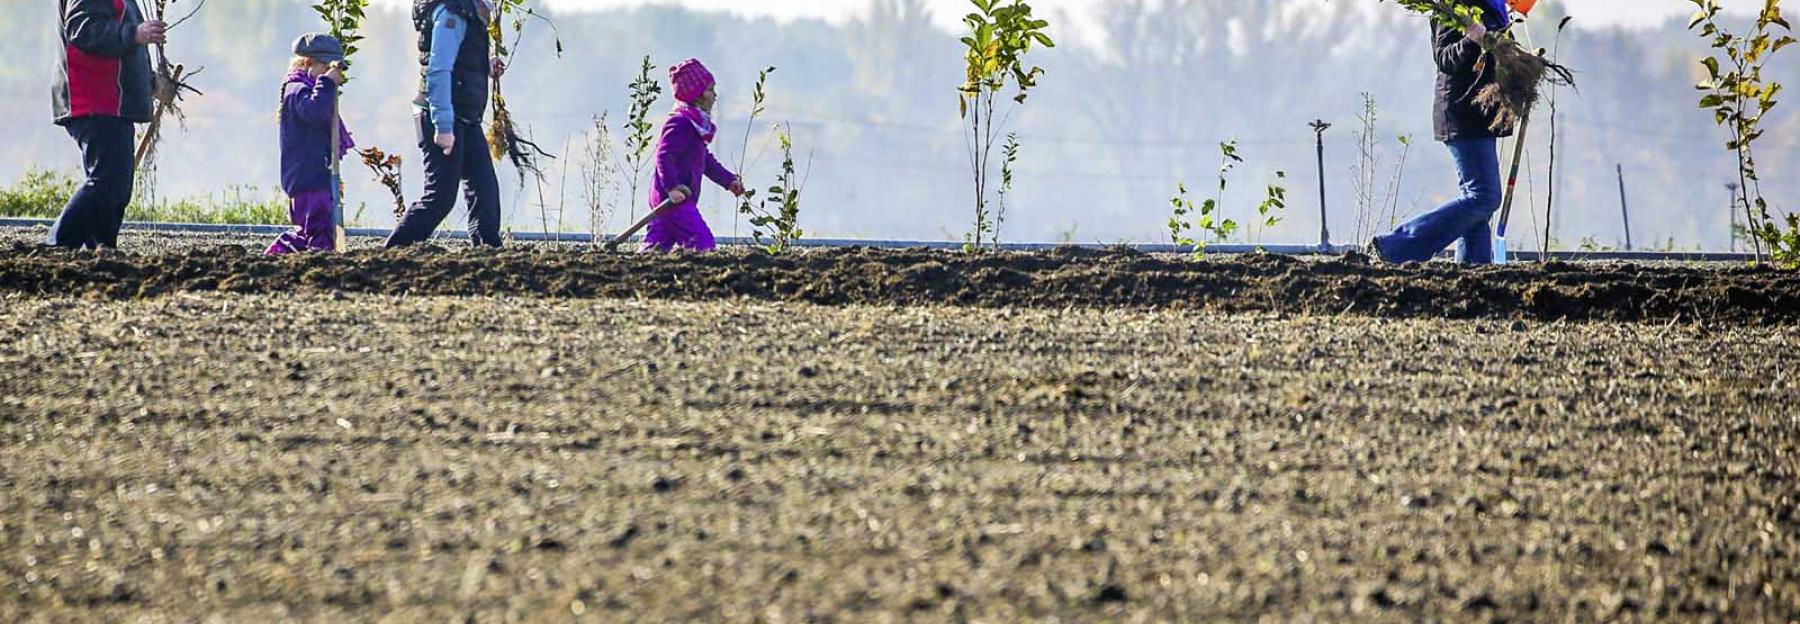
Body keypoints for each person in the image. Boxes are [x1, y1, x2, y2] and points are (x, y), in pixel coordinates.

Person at [1371, 0, 1529, 264]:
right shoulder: (1454, 8)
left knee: (1477, 208)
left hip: (1482, 116)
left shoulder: (1495, 10)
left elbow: (1496, 55)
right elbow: (1444, 57)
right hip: (1462, 113)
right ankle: (1397, 246)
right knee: (1484, 196)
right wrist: (1471, 40)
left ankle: (1474, 273)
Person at [386, 0, 506, 248]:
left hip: (465, 117)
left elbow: (462, 59)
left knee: (485, 190)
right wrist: (443, 127)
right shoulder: (451, 14)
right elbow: (438, 71)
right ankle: (392, 253)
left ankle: (489, 253)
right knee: (440, 197)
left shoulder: (468, 13)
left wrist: (486, 65)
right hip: (441, 116)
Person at [49, 0, 163, 250]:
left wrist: (152, 84)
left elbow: (128, 51)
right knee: (107, 179)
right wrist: (135, 33)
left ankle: (101, 249)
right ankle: (57, 245)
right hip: (92, 98)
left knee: (118, 187)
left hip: (113, 102)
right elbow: (82, 29)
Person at [642, 59, 746, 252]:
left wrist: (728, 181)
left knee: (655, 248)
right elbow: (664, 156)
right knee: (702, 243)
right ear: (697, 95)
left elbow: (704, 160)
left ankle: (637, 270)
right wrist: (672, 187)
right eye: (710, 90)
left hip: (673, 201)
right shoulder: (680, 122)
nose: (714, 96)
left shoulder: (695, 124)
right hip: (674, 200)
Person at [267, 35, 356, 255]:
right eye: (326, 67)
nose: (332, 74)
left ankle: (279, 255)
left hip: (314, 172)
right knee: (317, 227)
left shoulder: (309, 86)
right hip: (306, 176)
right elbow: (315, 112)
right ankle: (318, 263)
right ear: (308, 63)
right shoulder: (297, 89)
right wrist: (327, 83)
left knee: (312, 229)